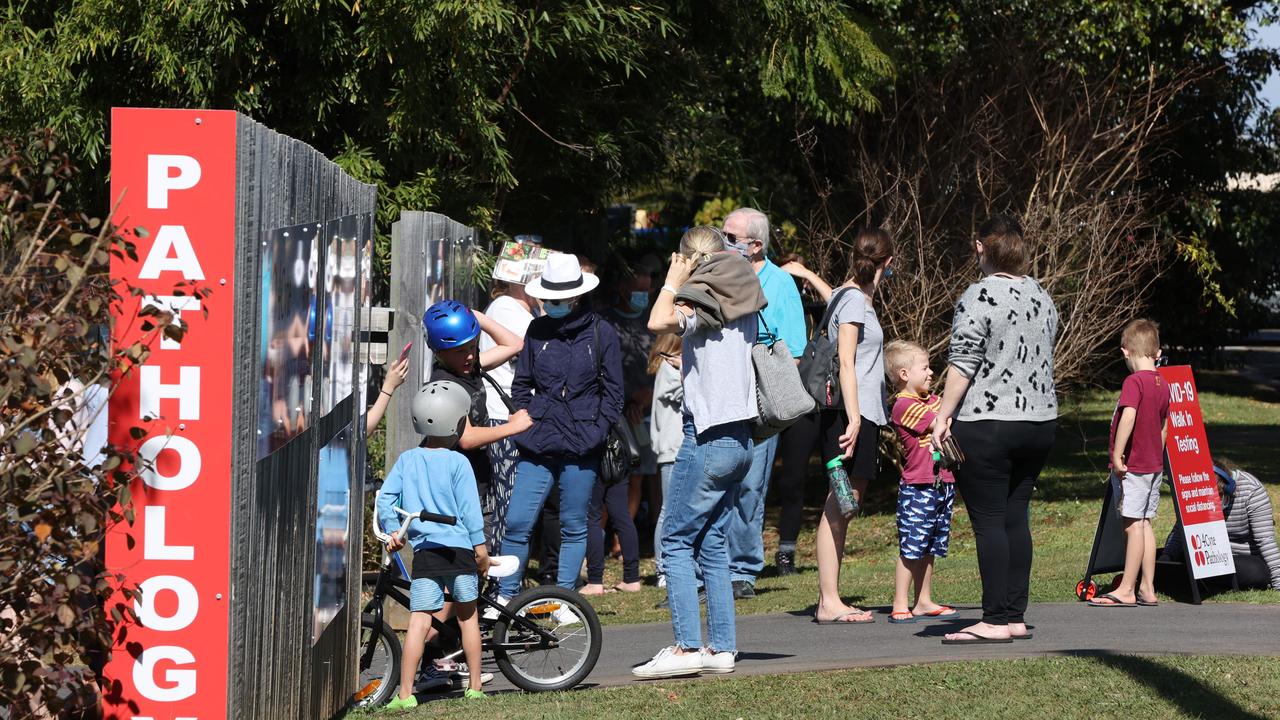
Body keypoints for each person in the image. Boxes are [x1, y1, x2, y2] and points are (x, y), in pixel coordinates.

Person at [633, 226, 764, 679]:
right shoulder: (743, 291)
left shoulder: (701, 300)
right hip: (742, 438)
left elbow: (657, 321)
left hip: (706, 437)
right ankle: (722, 648)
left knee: (674, 540)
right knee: (712, 544)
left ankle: (688, 647)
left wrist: (672, 279)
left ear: (691, 260)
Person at [931, 214, 1058, 644]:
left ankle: (994, 619)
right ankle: (1015, 615)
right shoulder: (1042, 294)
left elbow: (964, 362)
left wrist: (942, 415)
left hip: (988, 422)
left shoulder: (978, 295)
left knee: (989, 522)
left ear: (980, 248)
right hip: (1039, 423)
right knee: (1015, 517)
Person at [498, 253, 625, 607]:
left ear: (577, 295)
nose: (552, 303)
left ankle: (564, 602)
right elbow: (521, 382)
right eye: (548, 296)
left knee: (573, 524)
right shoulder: (536, 330)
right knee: (518, 522)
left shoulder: (603, 333)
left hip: (583, 444)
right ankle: (505, 596)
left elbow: (614, 393)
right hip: (537, 441)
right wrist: (526, 414)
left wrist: (597, 430)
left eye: (559, 296)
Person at [377, 381, 491, 708]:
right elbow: (470, 510)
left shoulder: (407, 460)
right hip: (460, 553)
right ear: (456, 423)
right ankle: (473, 687)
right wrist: (481, 550)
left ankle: (404, 694)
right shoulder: (459, 463)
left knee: (419, 620)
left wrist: (394, 532)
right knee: (468, 618)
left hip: (426, 554)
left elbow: (386, 501)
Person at [722, 207, 807, 599]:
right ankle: (714, 568)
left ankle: (742, 571)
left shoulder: (781, 283)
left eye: (730, 236)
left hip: (758, 398)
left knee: (750, 487)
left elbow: (794, 348)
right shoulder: (718, 275)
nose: (722, 241)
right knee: (718, 483)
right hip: (720, 395)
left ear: (755, 245)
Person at [812, 228, 893, 625]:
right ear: (887, 263)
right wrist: (856, 418)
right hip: (849, 414)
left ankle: (832, 596)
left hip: (857, 412)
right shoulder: (856, 302)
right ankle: (829, 600)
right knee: (840, 502)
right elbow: (846, 361)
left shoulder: (849, 297)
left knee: (846, 500)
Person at [423, 300, 533, 547]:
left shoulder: (468, 367)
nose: (470, 356)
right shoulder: (445, 383)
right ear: (438, 351)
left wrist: (476, 316)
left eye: (473, 346)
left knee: (481, 551)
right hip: (456, 487)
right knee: (468, 556)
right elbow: (467, 438)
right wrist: (513, 426)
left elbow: (514, 344)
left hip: (477, 480)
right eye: (460, 351)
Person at [1090, 319, 1171, 608]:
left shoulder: (1134, 382)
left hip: (1133, 466)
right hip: (1153, 465)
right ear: (1157, 353)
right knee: (1146, 523)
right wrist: (1157, 455)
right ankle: (1148, 587)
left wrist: (1116, 453)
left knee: (1133, 524)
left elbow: (1128, 417)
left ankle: (1126, 588)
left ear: (1126, 352)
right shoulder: (1164, 384)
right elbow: (1164, 426)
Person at [582, 269, 654, 595]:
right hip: (620, 434)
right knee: (620, 510)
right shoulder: (608, 330)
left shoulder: (592, 353)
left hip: (600, 438)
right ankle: (632, 577)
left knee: (595, 509)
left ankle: (595, 580)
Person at [884, 340, 958, 623]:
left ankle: (923, 600)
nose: (931, 372)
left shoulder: (932, 400)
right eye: (925, 368)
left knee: (930, 546)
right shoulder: (903, 405)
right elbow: (939, 421)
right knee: (912, 546)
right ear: (904, 374)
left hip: (942, 482)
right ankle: (900, 602)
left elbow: (948, 415)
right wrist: (947, 415)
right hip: (919, 486)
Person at [773, 256, 836, 575]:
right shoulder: (773, 303)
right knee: (785, 481)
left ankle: (806, 551)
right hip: (784, 402)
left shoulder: (821, 312)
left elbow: (838, 301)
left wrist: (808, 274)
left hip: (820, 403)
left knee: (823, 478)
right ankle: (776, 554)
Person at [477, 280, 537, 549]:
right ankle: (499, 571)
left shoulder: (520, 310)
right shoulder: (506, 307)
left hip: (513, 416)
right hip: (503, 416)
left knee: (511, 497)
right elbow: (529, 348)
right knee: (507, 498)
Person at [1160, 458, 1280, 592]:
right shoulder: (1197, 491)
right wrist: (1166, 558)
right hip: (1206, 555)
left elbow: (1265, 540)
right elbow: (1180, 531)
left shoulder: (1252, 490)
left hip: (1243, 559)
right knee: (1152, 557)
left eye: (1217, 496)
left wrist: (1278, 580)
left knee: (1256, 572)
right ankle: (1194, 577)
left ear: (1228, 487)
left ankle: (1193, 577)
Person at [647, 333, 684, 589]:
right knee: (669, 511)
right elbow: (687, 390)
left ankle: (677, 565)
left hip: (677, 449)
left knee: (677, 510)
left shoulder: (670, 369)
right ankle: (664, 568)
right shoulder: (669, 370)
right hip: (673, 450)